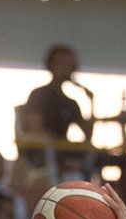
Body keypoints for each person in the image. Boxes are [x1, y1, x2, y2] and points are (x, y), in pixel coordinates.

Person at [19, 44, 93, 176]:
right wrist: (57, 144)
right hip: (43, 156)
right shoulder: (39, 94)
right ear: (51, 66)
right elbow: (34, 128)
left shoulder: (71, 102)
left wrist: (91, 103)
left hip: (64, 156)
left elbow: (88, 135)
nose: (65, 68)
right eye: (61, 63)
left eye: (69, 64)